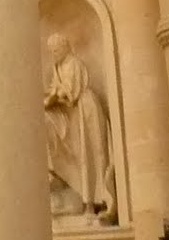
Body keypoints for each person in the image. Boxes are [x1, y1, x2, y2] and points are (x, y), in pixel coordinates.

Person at [43, 31, 116, 220]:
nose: (53, 54)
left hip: (86, 110)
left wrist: (51, 99)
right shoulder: (58, 66)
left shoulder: (73, 63)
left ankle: (97, 201)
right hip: (73, 113)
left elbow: (69, 91)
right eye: (51, 51)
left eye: (56, 50)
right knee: (80, 154)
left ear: (64, 48)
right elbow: (55, 89)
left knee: (91, 155)